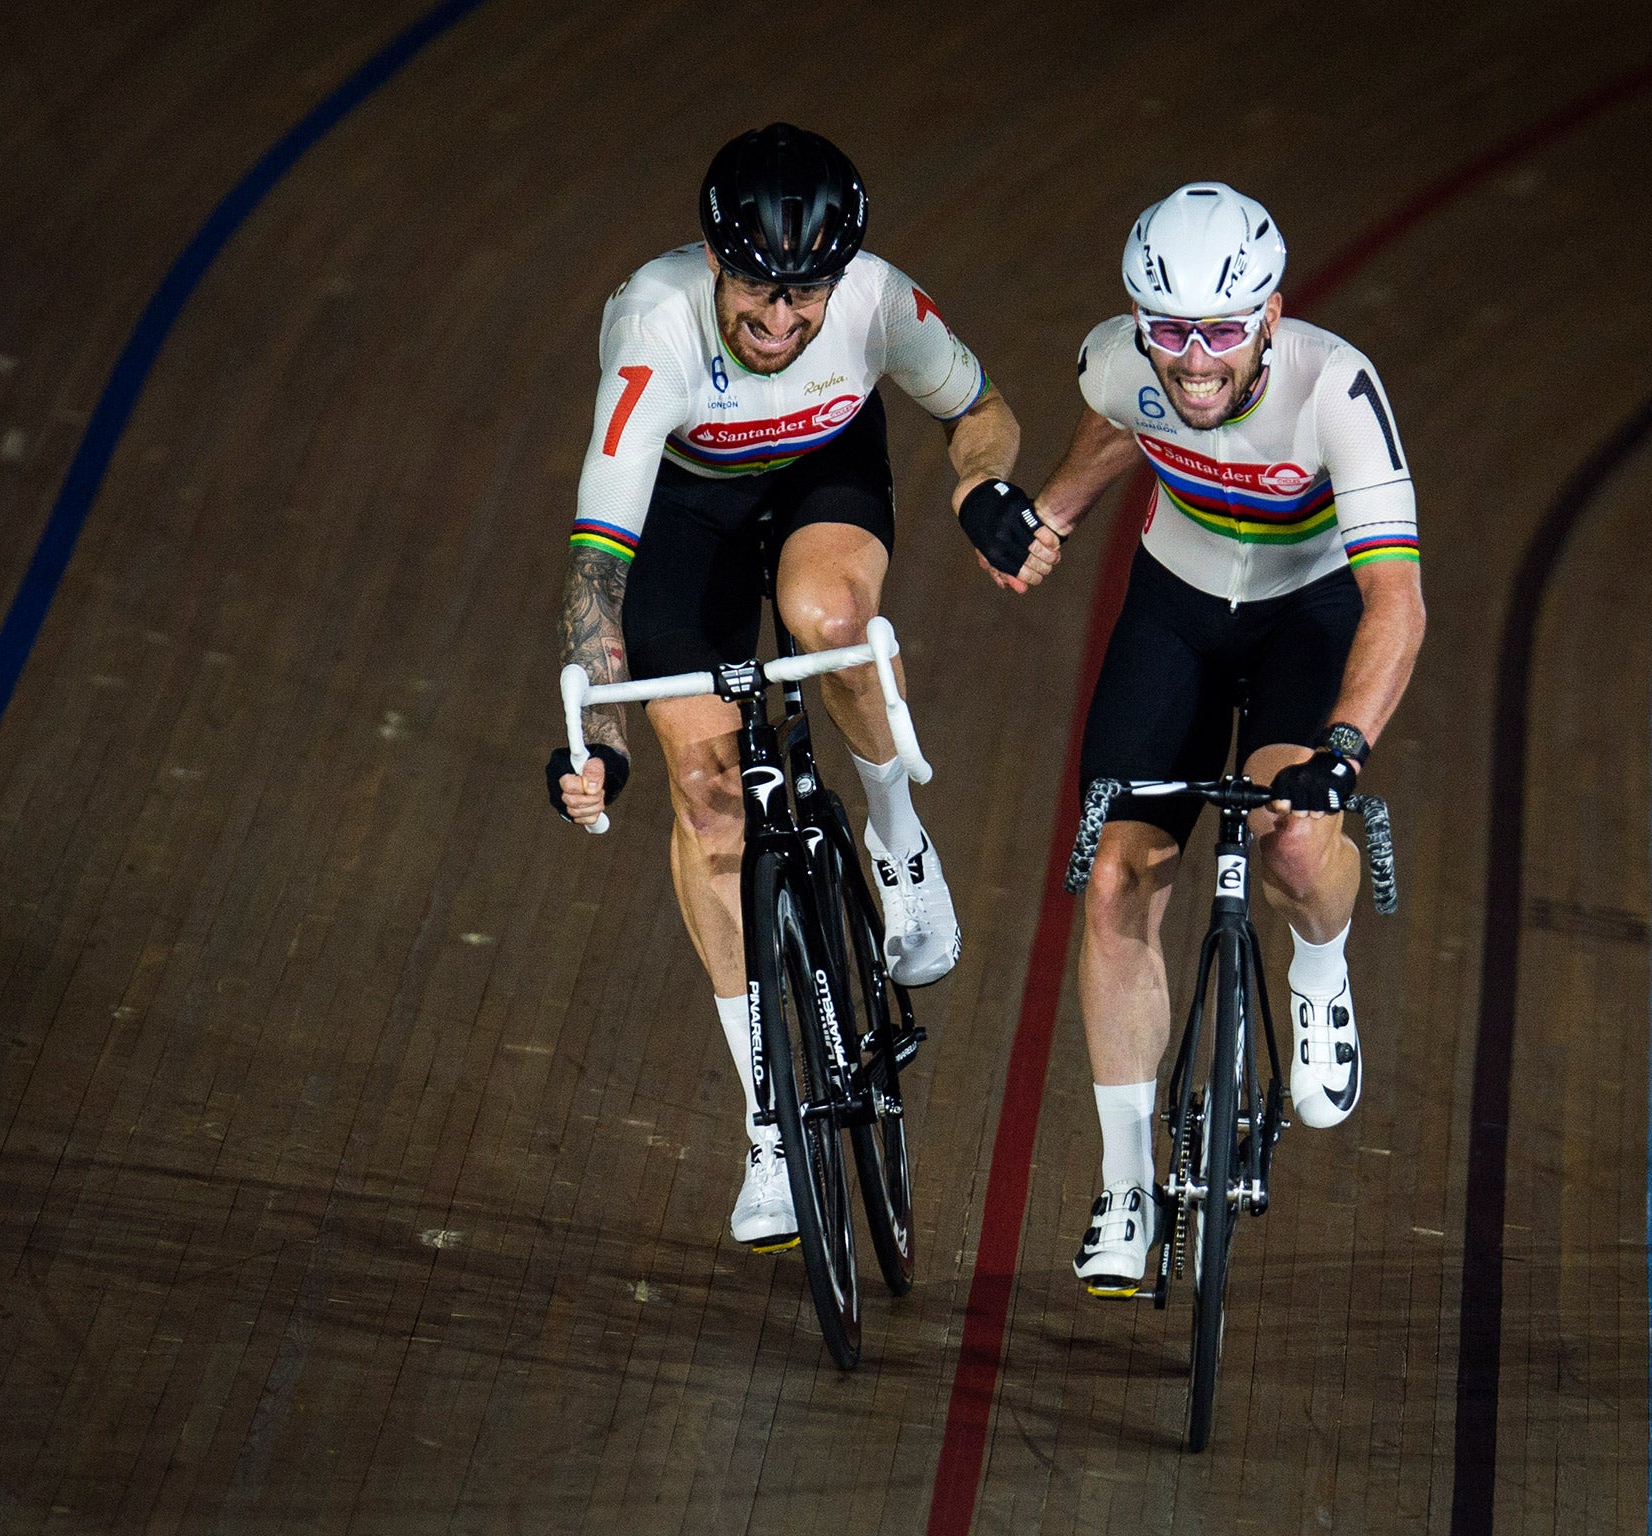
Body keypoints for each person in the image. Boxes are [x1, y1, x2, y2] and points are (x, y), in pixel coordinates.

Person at [546, 124, 1054, 1252]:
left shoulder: (878, 300)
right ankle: (770, 1127)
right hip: (685, 513)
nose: (779, 322)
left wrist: (982, 490)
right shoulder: (650, 331)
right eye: (756, 295)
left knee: (832, 624)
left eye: (804, 296)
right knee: (703, 785)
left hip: (823, 474)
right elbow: (599, 564)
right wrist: (598, 737)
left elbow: (981, 410)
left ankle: (897, 837)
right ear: (713, 265)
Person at [1007, 182, 1425, 1295]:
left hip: (1307, 617)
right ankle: (1127, 1185)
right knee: (1113, 883)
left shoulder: (1335, 387)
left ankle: (1319, 971)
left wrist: (1343, 745)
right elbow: (1113, 424)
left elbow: (1396, 600)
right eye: (1169, 330)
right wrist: (1047, 513)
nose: (1192, 361)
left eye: (1220, 331)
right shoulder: (1120, 358)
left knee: (1292, 841)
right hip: (1175, 610)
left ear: (1270, 316)